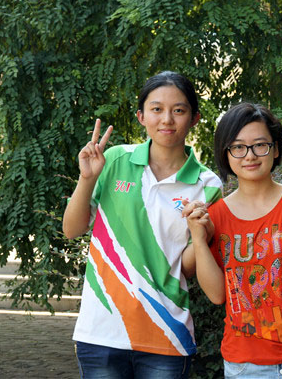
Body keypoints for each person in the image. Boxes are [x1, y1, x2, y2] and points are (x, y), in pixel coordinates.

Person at [62, 71, 222, 379]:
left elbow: (186, 269)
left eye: (179, 110)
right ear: (141, 116)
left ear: (194, 118)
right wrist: (87, 178)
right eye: (156, 109)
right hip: (101, 331)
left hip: (167, 335)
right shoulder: (114, 160)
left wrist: (200, 234)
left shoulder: (207, 184)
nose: (167, 119)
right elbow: (71, 229)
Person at [184, 102, 282, 378]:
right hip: (246, 363)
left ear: (275, 149)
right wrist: (198, 238)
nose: (250, 155)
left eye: (260, 145)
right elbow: (217, 296)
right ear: (226, 153)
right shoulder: (215, 215)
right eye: (238, 147)